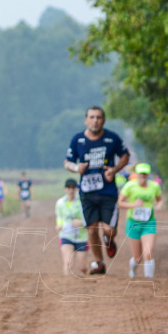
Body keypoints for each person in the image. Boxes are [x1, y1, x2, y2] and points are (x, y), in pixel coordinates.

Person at [64, 106, 130, 275]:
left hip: (108, 192)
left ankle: (109, 240)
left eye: (99, 117)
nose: (95, 120)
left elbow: (125, 155)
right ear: (86, 120)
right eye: (92, 117)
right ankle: (99, 263)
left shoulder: (111, 138)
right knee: (92, 229)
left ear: (103, 120)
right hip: (87, 193)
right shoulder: (77, 140)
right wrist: (76, 167)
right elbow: (67, 163)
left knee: (108, 230)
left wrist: (114, 170)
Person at [118, 162, 164, 278]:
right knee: (138, 258)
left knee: (148, 253)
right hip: (133, 223)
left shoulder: (154, 186)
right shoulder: (130, 186)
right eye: (140, 174)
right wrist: (133, 204)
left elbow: (160, 200)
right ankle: (133, 271)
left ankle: (149, 280)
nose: (143, 176)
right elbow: (120, 203)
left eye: (145, 174)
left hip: (149, 222)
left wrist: (159, 205)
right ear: (136, 174)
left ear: (148, 175)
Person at [55, 179, 89, 276]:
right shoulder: (60, 203)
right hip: (66, 234)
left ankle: (86, 278)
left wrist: (81, 222)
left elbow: (89, 219)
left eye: (73, 188)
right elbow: (59, 217)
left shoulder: (82, 202)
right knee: (68, 262)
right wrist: (59, 225)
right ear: (65, 189)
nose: (71, 190)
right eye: (69, 188)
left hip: (81, 236)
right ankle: (66, 286)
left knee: (82, 267)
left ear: (76, 189)